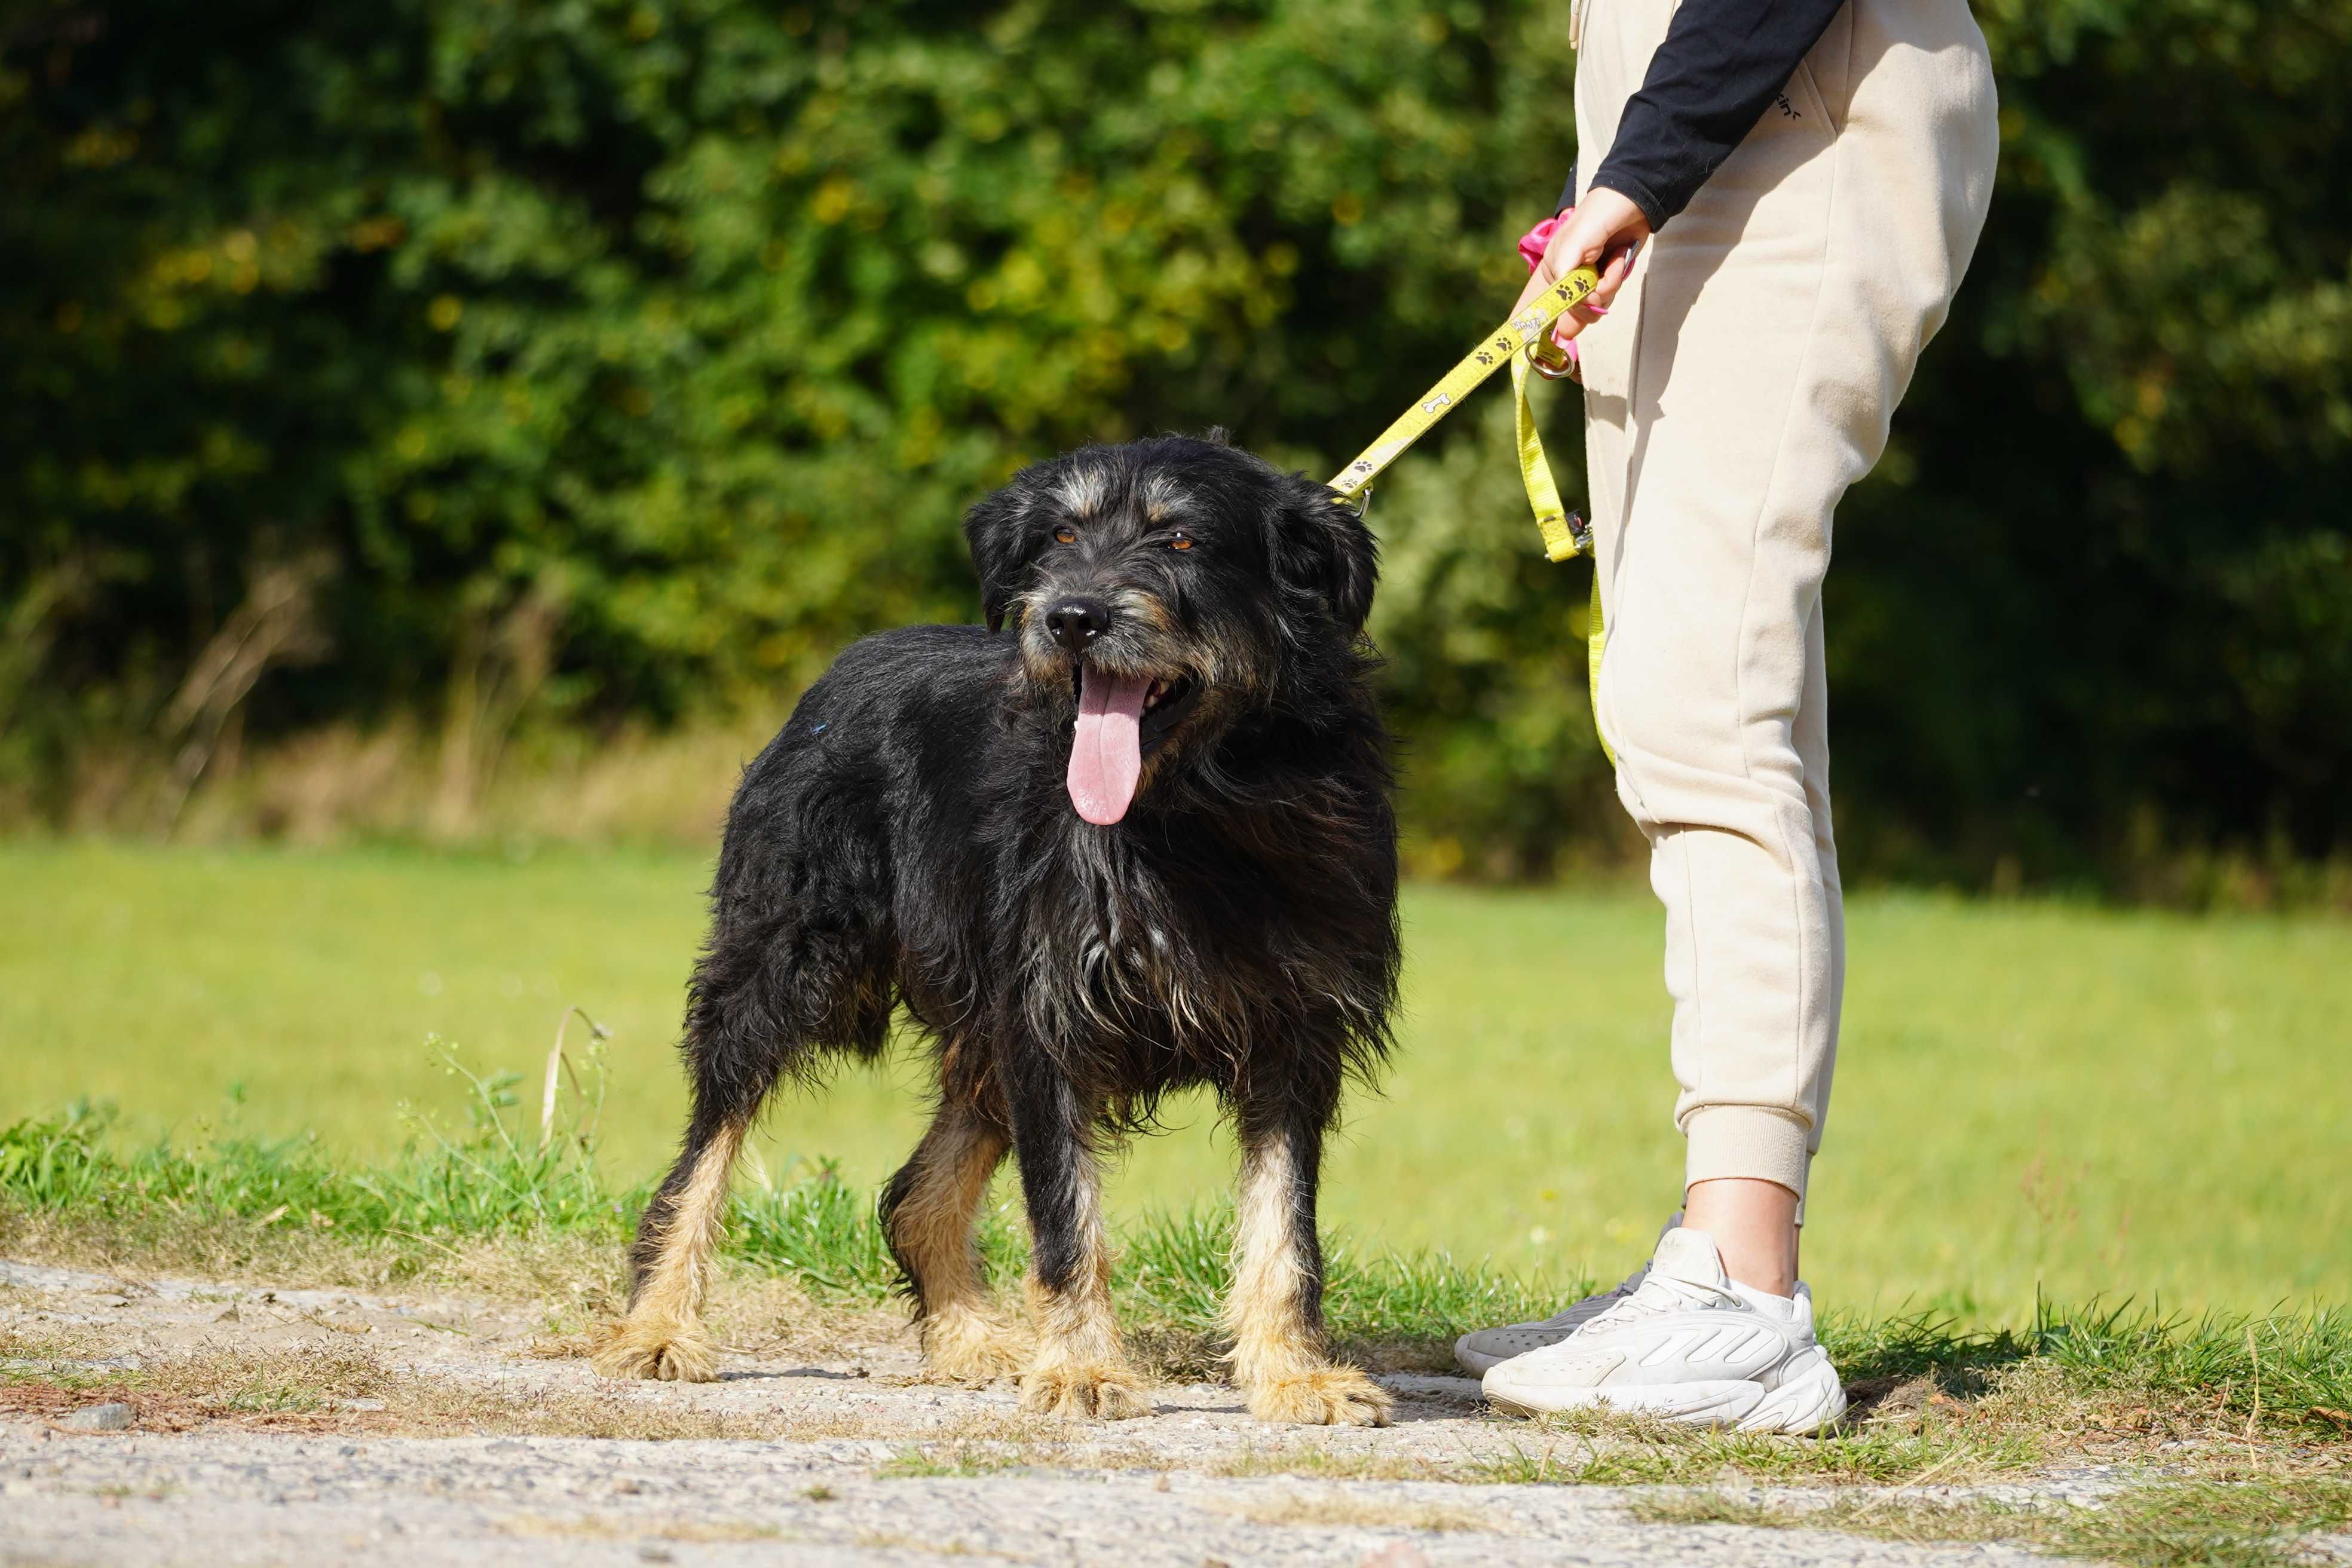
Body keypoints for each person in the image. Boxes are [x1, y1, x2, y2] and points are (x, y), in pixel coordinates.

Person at [1453, 0, 1999, 1432]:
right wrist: (1619, 178)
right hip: (1712, 134)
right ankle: (1711, 1267)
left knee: (1702, 694)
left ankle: (1744, 1299)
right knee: (1695, 690)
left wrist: (1636, 176)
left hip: (1789, 132)